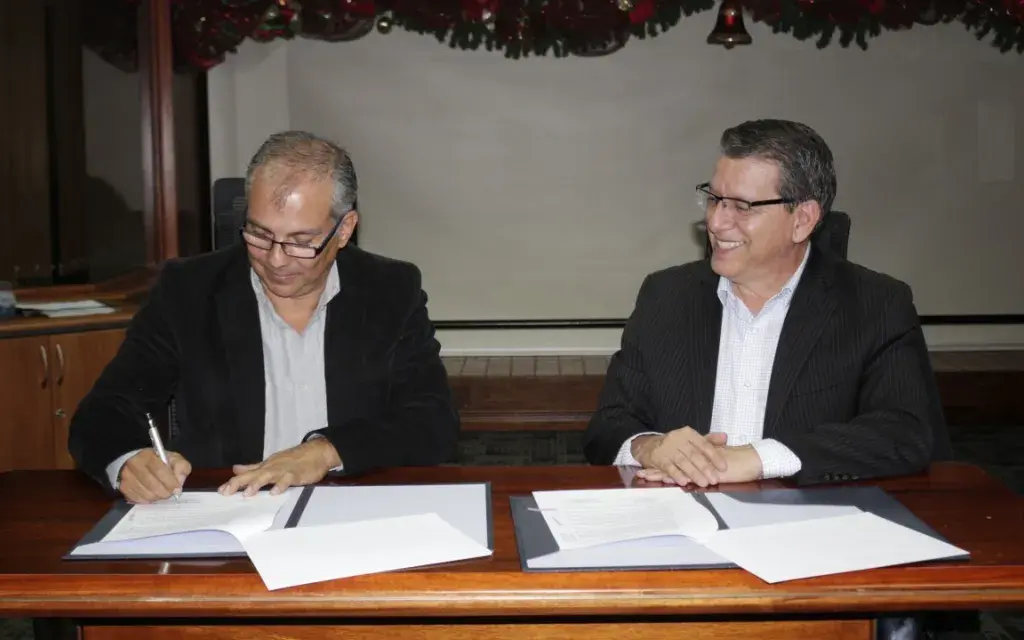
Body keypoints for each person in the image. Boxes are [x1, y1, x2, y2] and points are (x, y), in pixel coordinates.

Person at [69, 130, 460, 503]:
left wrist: (326, 451)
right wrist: (128, 461)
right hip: (229, 510)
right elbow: (104, 411)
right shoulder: (188, 291)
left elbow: (432, 421)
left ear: (344, 230)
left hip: (350, 508)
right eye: (259, 234)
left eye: (301, 242)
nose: (275, 259)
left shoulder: (390, 290)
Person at [583, 118, 950, 488]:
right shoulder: (666, 296)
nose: (716, 222)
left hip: (808, 517)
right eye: (714, 199)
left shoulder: (876, 305)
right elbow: (608, 425)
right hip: (681, 513)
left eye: (742, 206)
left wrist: (759, 459)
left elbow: (905, 434)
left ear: (802, 220)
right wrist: (650, 447)